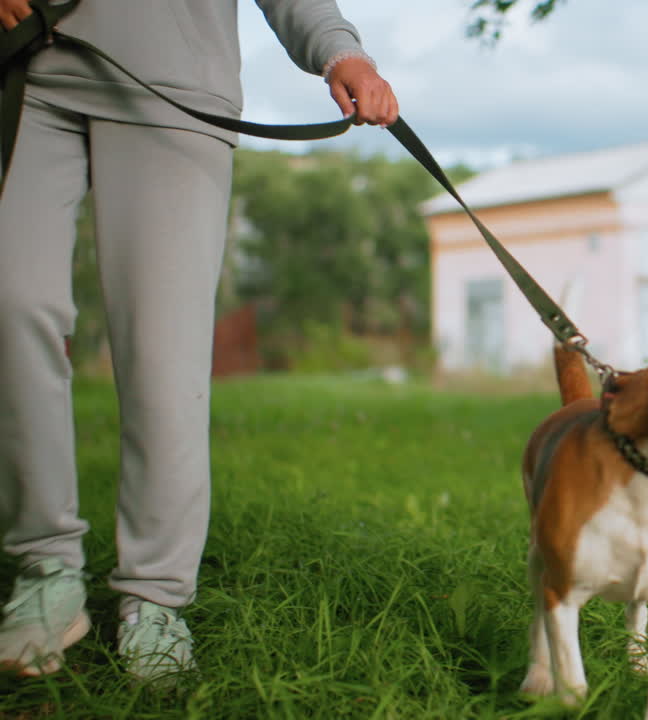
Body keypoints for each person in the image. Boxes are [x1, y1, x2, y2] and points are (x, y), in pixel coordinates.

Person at [0, 0, 399, 681]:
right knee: (10, 305)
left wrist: (339, 49)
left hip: (176, 86)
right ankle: (44, 566)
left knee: (164, 350)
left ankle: (155, 595)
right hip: (27, 67)